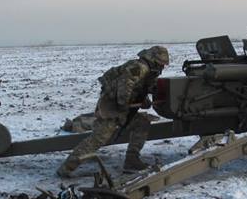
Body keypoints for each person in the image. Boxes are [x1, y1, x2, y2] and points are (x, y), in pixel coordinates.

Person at [57, 46, 170, 177]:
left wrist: (143, 100)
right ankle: (66, 168)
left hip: (123, 106)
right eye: (161, 64)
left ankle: (131, 161)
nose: (161, 67)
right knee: (98, 139)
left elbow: (138, 88)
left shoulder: (146, 70)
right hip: (112, 107)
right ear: (154, 60)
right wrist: (123, 111)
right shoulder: (138, 68)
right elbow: (124, 90)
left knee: (142, 123)